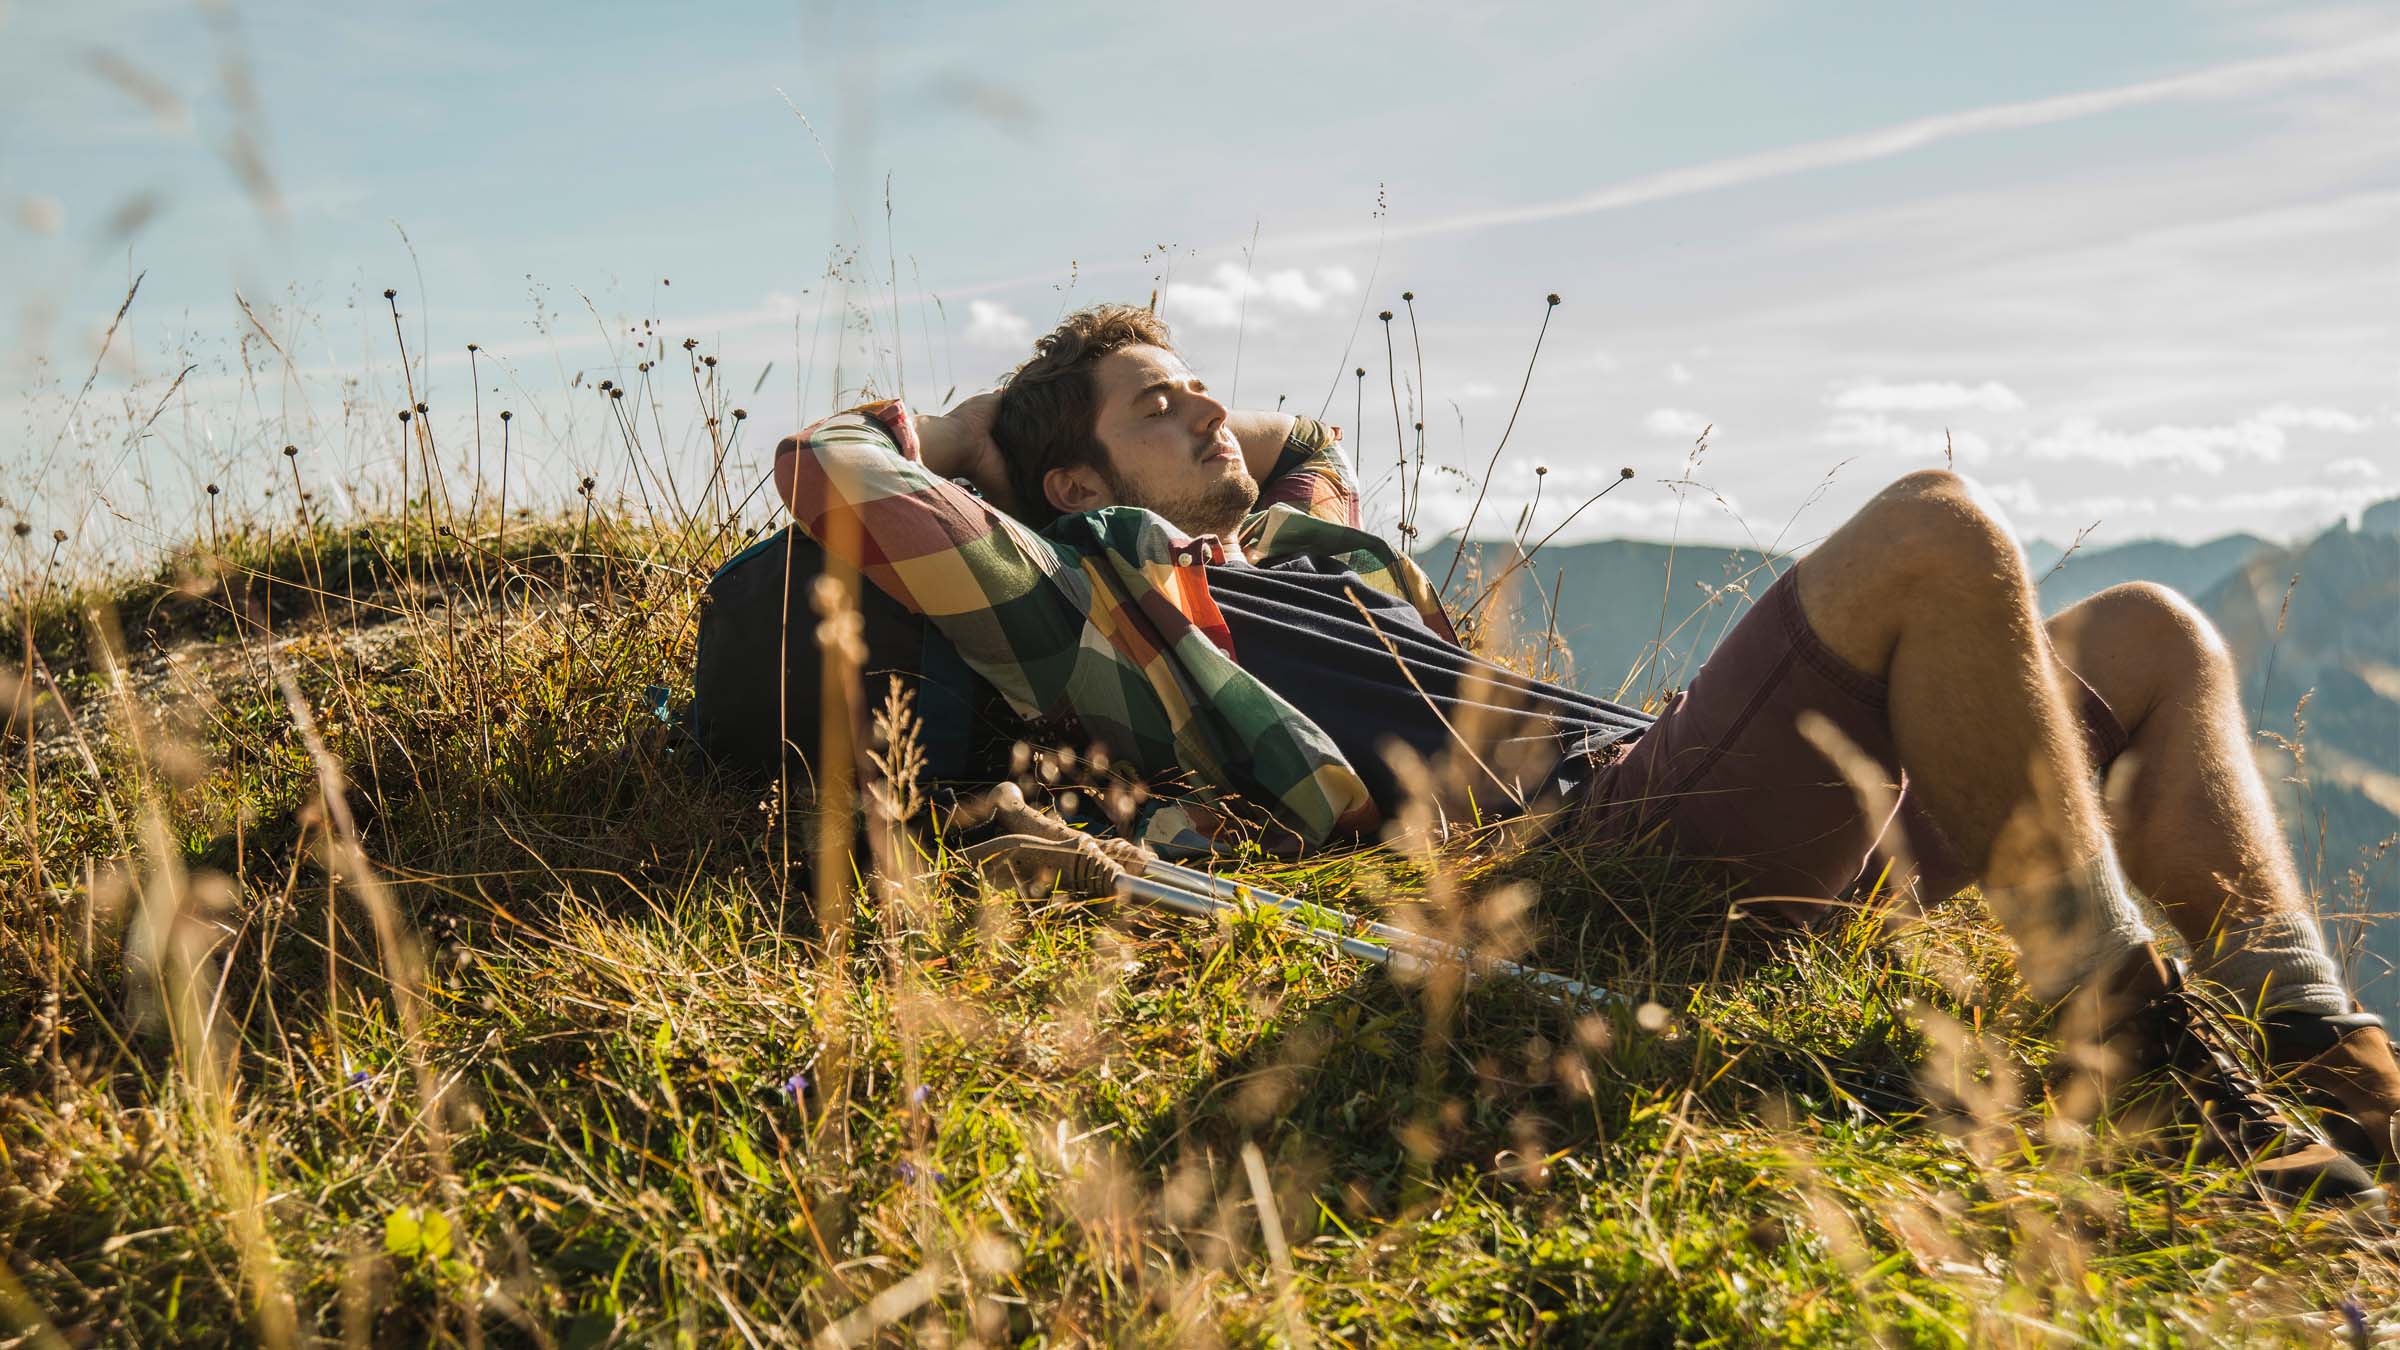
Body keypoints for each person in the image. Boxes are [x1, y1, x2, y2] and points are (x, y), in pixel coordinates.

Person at [773, 304, 2400, 1203]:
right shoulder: (1103, 600)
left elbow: (1299, 447)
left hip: (1689, 787)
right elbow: (837, 473)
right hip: (1590, 858)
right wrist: (1002, 417)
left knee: (2147, 632)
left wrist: (1160, 396)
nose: (1210, 417)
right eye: (1156, 410)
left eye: (1203, 390)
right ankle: (2134, 1048)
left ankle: (2333, 1062)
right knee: (1935, 533)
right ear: (1065, 486)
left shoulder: (1307, 550)